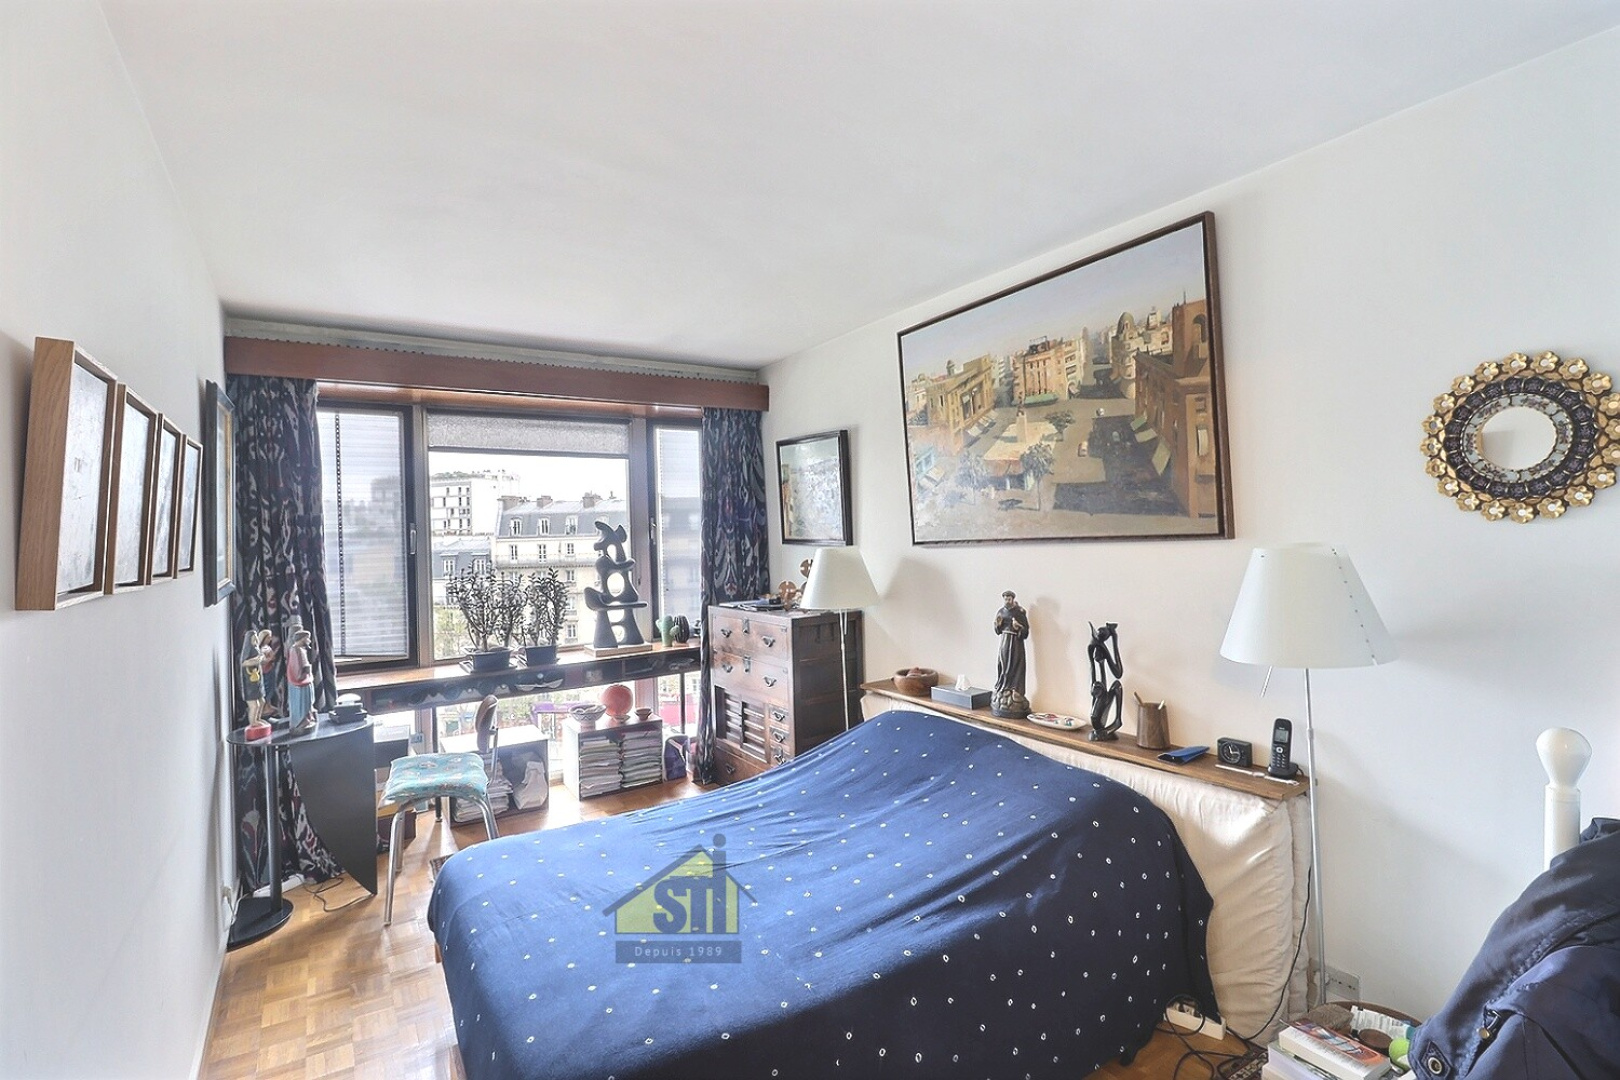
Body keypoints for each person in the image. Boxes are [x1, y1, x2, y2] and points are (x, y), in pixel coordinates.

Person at [992, 591, 1030, 718]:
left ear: (1013, 599)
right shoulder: (1001, 612)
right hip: (1004, 640)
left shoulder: (1019, 612)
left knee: (1015, 664)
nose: (1007, 601)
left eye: (1009, 599)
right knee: (1003, 664)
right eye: (1005, 599)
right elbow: (997, 630)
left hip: (1016, 643)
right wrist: (998, 625)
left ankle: (1015, 689)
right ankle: (1003, 686)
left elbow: (1026, 631)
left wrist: (1018, 627)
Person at [240, 629, 273, 727]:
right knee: (255, 705)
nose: (256, 640)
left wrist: (261, 658)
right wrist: (257, 660)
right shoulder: (248, 650)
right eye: (253, 639)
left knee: (262, 701)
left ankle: (258, 718)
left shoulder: (257, 648)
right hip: (250, 683)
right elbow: (244, 663)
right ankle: (253, 722)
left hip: (257, 680)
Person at [285, 627, 315, 735]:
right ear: (302, 639)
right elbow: (296, 667)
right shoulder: (295, 650)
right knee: (302, 703)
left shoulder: (301, 649)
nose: (309, 641)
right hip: (299, 682)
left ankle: (307, 717)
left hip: (306, 679)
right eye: (307, 638)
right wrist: (306, 669)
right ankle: (301, 721)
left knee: (308, 702)